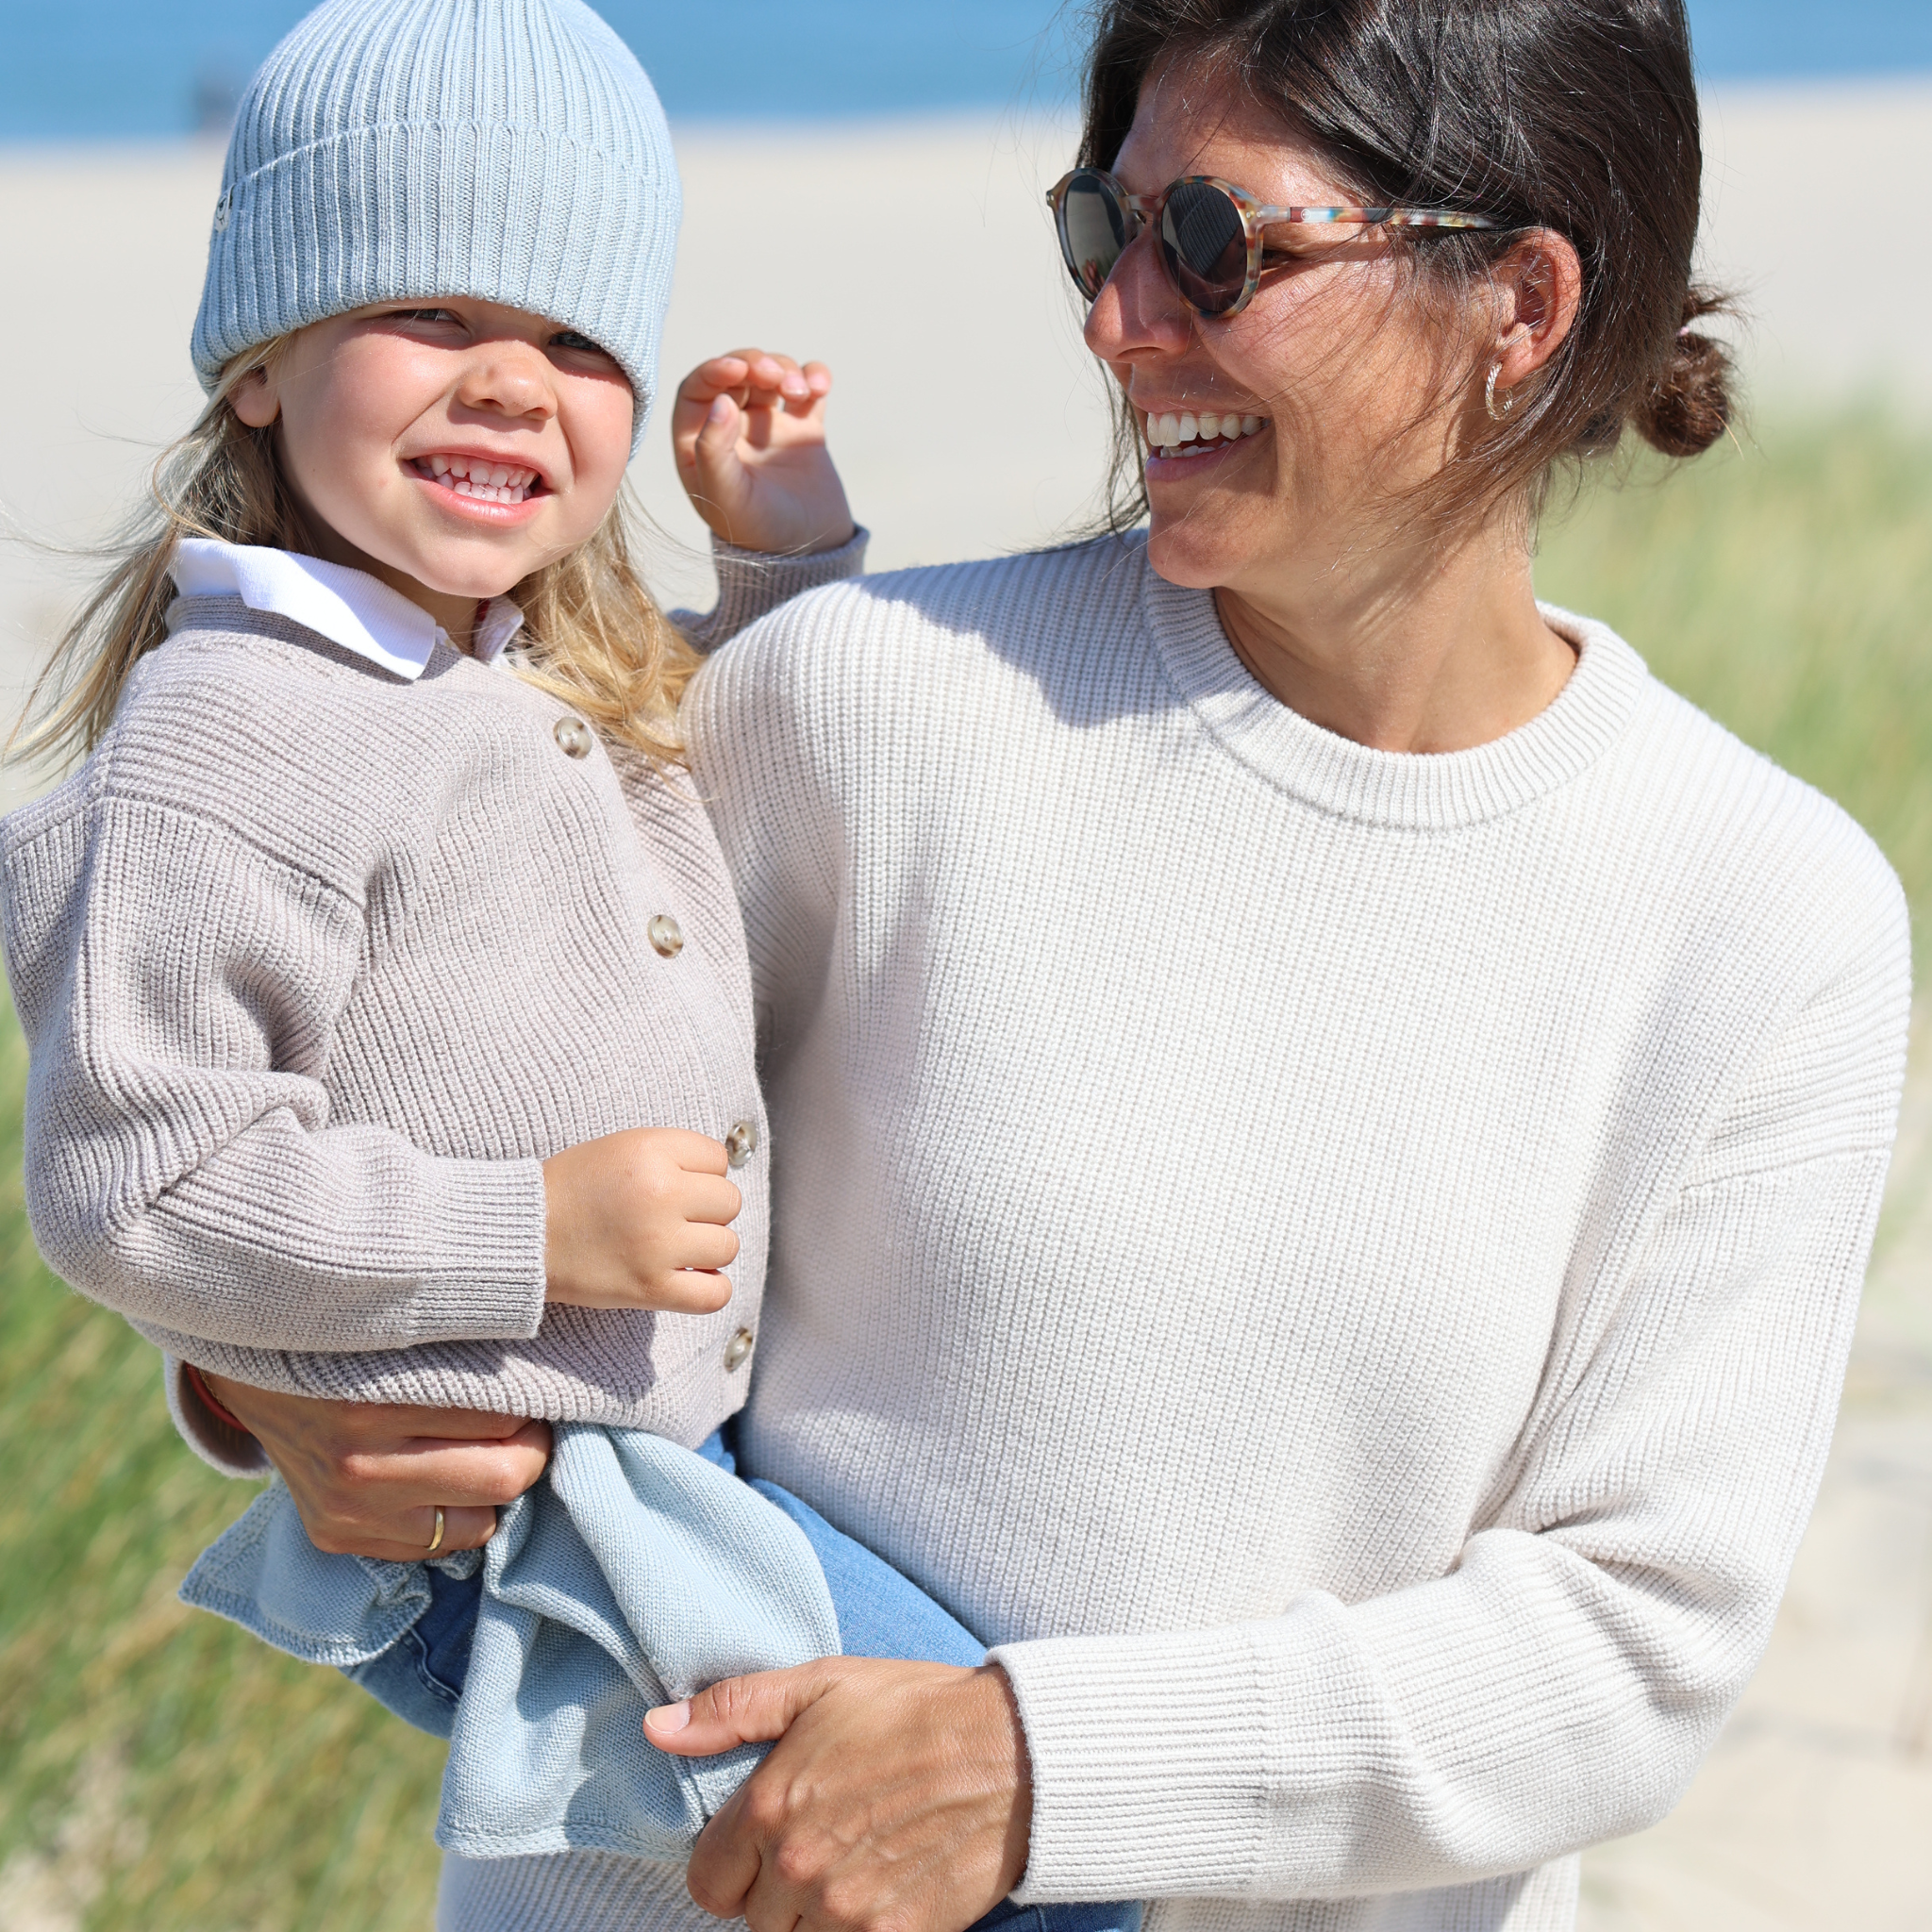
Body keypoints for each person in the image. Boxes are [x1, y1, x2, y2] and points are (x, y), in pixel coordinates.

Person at [168, 1, 1911, 1930]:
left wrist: (1031, 1768)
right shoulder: (858, 703)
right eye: (1105, 230)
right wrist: (282, 1401)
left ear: (1518, 303)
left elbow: (1629, 1649)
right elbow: (381, 1078)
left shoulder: (1763, 914)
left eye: (1214, 246)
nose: (1114, 322)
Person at [0, 0, 1142, 1926]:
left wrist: (784, 564)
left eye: (576, 341)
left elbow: (747, 780)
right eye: (434, 318)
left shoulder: (522, 675)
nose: (514, 385)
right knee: (1041, 1879)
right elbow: (138, 1179)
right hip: (519, 1510)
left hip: (638, 1477)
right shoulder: (243, 721)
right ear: (261, 366)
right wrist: (530, 1234)